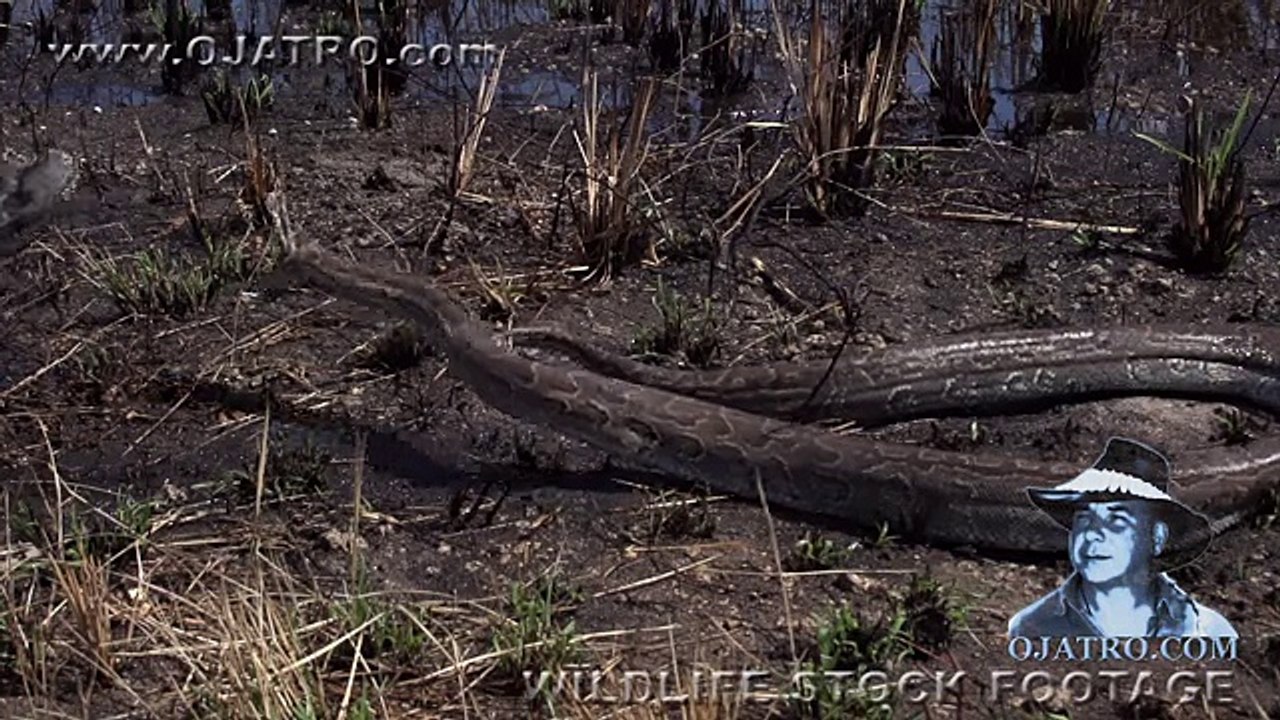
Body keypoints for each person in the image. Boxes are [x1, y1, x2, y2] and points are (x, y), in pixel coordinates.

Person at [1007, 437, 1237, 638]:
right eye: (1084, 519)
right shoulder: (1030, 628)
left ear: (1156, 538)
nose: (1093, 534)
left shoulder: (1208, 631)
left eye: (1117, 520)